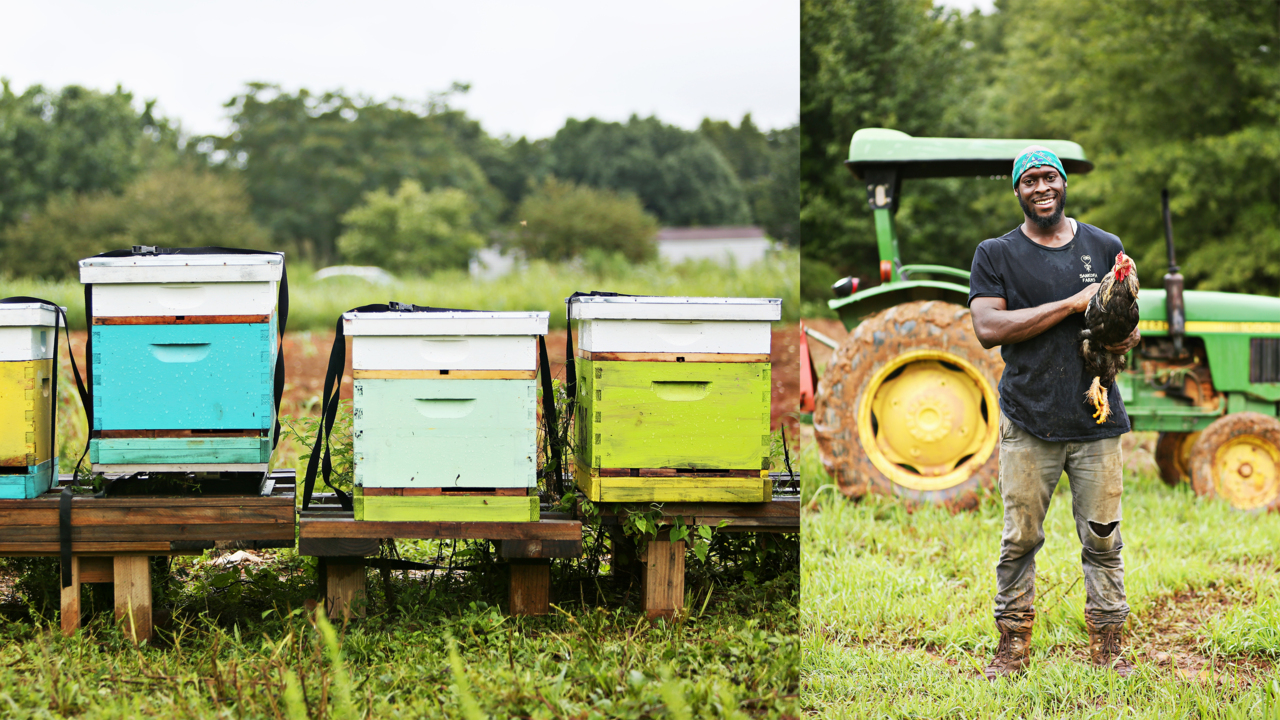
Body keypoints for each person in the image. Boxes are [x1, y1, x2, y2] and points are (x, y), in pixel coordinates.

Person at [967, 146, 1142, 679]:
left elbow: (1129, 324)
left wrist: (1125, 332)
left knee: (1103, 538)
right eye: (1030, 181)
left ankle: (1109, 651)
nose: (1041, 188)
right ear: (1016, 190)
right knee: (1020, 539)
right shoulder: (995, 254)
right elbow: (988, 329)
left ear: (1063, 184)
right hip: (1029, 419)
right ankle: (1013, 648)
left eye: (1050, 178)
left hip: (1096, 419)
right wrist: (1071, 304)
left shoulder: (1104, 245)